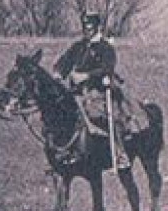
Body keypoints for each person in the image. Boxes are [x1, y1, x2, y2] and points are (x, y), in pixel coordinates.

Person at [55, 11, 134, 167]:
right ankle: (66, 150)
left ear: (97, 27)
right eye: (85, 27)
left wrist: (86, 76)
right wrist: (58, 72)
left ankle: (120, 153)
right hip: (76, 92)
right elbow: (65, 61)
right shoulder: (78, 46)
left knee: (99, 114)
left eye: (90, 27)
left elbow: (107, 68)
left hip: (97, 91)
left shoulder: (105, 47)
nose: (87, 30)